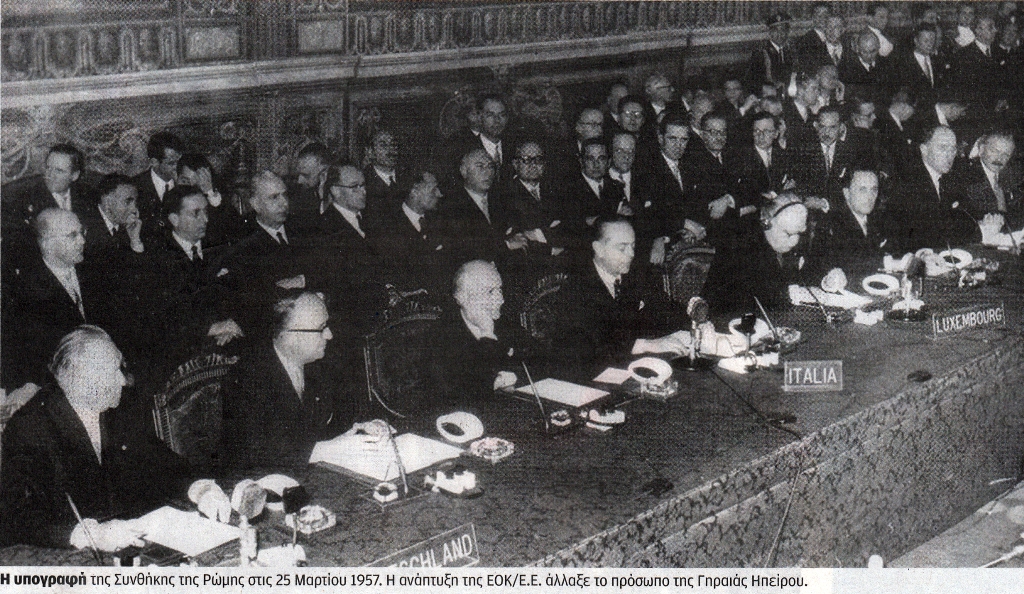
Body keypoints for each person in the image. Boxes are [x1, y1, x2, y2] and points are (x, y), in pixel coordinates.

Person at [0, 326, 198, 549]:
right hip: (72, 555)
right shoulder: (31, 427)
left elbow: (159, 461)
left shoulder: (118, 408)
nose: (123, 380)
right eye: (114, 371)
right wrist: (88, 535)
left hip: (134, 539)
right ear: (82, 379)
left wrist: (198, 487)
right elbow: (16, 515)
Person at [223, 292, 354, 470]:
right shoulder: (246, 377)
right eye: (321, 328)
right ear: (290, 335)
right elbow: (257, 451)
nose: (329, 335)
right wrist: (322, 450)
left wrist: (362, 428)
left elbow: (342, 413)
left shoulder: (319, 364)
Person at [551, 217, 687, 369]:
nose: (631, 254)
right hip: (590, 372)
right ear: (599, 249)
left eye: (633, 246)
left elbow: (666, 307)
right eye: (622, 248)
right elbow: (593, 345)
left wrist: (695, 315)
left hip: (631, 364)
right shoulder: (576, 288)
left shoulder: (635, 274)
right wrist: (646, 344)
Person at [2, 208, 97, 389]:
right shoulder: (25, 292)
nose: (82, 241)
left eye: (82, 232)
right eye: (72, 235)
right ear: (47, 243)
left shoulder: (93, 270)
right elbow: (29, 361)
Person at [702, 194, 822, 314]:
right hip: (729, 316)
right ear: (766, 223)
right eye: (788, 234)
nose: (794, 241)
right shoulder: (742, 248)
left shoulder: (784, 244)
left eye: (799, 233)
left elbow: (803, 276)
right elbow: (764, 299)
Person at [435, 261, 519, 409]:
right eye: (490, 292)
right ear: (462, 297)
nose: (501, 300)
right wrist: (487, 334)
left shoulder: (505, 324)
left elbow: (542, 363)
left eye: (499, 290)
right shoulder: (442, 337)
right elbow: (464, 393)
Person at [887, 125, 982, 253]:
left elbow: (966, 218)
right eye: (943, 148)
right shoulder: (908, 183)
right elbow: (927, 235)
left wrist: (983, 224)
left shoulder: (950, 179)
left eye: (953, 149)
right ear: (924, 150)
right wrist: (979, 232)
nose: (949, 155)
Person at [368, 168, 448, 296]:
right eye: (434, 189)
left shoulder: (442, 222)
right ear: (414, 192)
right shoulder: (387, 228)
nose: (439, 194)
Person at [821, 169, 892, 265]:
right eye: (863, 190)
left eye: (874, 190)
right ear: (847, 193)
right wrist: (889, 263)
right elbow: (850, 263)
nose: (870, 197)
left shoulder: (880, 221)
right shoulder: (832, 224)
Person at [956, 130, 1021, 228]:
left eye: (1006, 154)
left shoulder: (1013, 178)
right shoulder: (965, 177)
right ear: (981, 149)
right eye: (995, 151)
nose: (999, 158)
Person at [79, 174, 145, 264]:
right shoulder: (85, 228)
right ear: (107, 202)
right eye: (127, 202)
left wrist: (135, 240)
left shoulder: (127, 228)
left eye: (135, 203)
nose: (134, 209)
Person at [132, 131, 184, 236]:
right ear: (154, 162)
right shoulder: (135, 186)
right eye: (171, 163)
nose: (178, 167)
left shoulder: (187, 181)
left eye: (179, 161)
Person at [362, 129, 405, 220]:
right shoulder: (363, 182)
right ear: (370, 151)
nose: (391, 150)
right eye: (383, 145)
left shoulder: (407, 178)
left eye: (393, 144)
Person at [747, 12, 794, 91]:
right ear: (770, 32)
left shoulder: (790, 51)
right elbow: (753, 80)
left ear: (787, 32)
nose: (779, 34)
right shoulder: (761, 52)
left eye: (783, 30)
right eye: (775, 30)